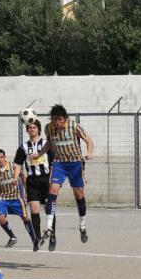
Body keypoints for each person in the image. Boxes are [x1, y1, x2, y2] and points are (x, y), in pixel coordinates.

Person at [32, 104, 94, 248]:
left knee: (79, 195)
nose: (57, 122)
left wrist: (89, 153)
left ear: (65, 118)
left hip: (75, 164)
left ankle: (82, 225)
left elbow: (89, 141)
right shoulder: (48, 128)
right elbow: (49, 143)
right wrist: (39, 154)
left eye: (60, 119)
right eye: (54, 119)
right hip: (59, 164)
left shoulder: (74, 126)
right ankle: (49, 227)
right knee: (52, 191)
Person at [13, 120, 56, 252]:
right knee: (34, 209)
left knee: (49, 209)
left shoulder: (46, 144)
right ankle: (37, 238)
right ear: (27, 130)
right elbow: (18, 164)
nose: (32, 129)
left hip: (46, 179)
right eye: (30, 127)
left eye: (34, 127)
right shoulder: (23, 147)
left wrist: (53, 180)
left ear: (39, 130)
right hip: (32, 181)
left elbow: (54, 162)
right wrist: (15, 178)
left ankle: (52, 236)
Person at [0, 149, 38, 250]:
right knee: (1, 218)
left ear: (4, 157)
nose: (0, 159)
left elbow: (24, 177)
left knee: (25, 218)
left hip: (16, 196)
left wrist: (27, 192)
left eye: (1, 157)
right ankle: (12, 237)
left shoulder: (13, 166)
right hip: (2, 197)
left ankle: (34, 239)